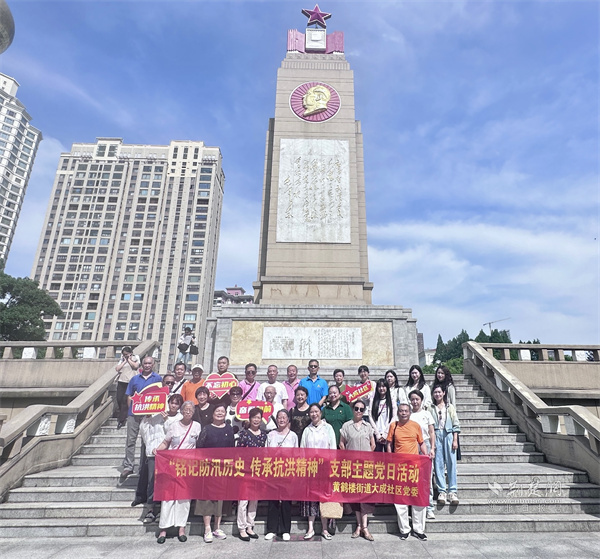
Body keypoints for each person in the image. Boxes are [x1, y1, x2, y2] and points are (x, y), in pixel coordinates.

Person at [155, 400, 201, 544]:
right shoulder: (173, 426)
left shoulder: (197, 426)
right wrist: (157, 450)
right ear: (181, 411)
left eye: (191, 410)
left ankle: (181, 528)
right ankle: (163, 529)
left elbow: (200, 445)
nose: (188, 411)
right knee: (168, 497)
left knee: (184, 498)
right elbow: (166, 442)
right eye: (186, 409)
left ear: (193, 412)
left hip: (188, 467)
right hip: (172, 466)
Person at [134, 392, 183, 524]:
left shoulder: (179, 418)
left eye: (176, 403)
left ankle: (163, 509)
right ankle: (150, 508)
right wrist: (147, 417)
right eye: (172, 402)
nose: (173, 405)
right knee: (152, 481)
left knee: (166, 482)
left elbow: (173, 434)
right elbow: (145, 431)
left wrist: (166, 420)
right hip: (153, 453)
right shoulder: (157, 414)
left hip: (168, 455)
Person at [386, 403, 429, 541]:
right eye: (401, 411)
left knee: (417, 497)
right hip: (399, 468)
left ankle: (419, 529)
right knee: (401, 499)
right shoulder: (393, 426)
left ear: (410, 413)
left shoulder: (416, 426)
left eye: (406, 411)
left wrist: (426, 456)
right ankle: (404, 529)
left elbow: (421, 443)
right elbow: (389, 444)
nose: (403, 413)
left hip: (415, 467)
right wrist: (390, 459)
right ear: (397, 412)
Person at [196, 404, 235, 543]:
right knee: (207, 499)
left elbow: (232, 449)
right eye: (217, 411)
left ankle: (217, 527)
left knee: (220, 498)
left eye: (222, 411)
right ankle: (207, 528)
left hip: (223, 469)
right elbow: (199, 448)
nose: (220, 413)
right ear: (212, 414)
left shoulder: (229, 429)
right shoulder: (207, 429)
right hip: (208, 469)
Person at [120, 356, 162, 483]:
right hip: (134, 414)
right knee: (130, 440)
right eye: (145, 363)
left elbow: (159, 396)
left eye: (149, 363)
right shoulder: (134, 379)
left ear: (153, 365)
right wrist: (132, 410)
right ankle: (128, 466)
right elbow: (129, 396)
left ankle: (143, 467)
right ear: (142, 364)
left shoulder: (157, 379)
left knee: (146, 442)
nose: (147, 365)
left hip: (149, 415)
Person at [339, 399, 376, 540]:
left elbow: (373, 444)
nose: (359, 411)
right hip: (352, 466)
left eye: (361, 409)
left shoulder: (368, 426)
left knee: (365, 495)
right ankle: (359, 525)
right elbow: (341, 444)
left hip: (366, 466)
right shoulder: (347, 426)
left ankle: (364, 527)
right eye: (356, 408)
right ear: (352, 409)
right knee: (355, 495)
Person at [300, 403, 337, 540]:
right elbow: (302, 449)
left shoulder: (328, 428)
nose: (314, 414)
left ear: (320, 413)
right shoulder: (307, 430)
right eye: (311, 412)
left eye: (316, 411)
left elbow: (333, 448)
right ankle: (310, 528)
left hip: (325, 467)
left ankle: (324, 528)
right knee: (310, 499)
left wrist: (332, 466)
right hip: (310, 468)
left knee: (324, 498)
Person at [265, 409, 298, 541]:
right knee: (272, 500)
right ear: (276, 419)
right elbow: (266, 452)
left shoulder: (293, 436)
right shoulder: (271, 435)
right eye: (279, 417)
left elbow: (296, 454)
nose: (282, 420)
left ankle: (285, 530)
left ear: (288, 419)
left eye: (284, 417)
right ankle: (271, 529)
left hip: (287, 471)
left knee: (286, 501)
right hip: (273, 471)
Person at [236, 408, 267, 541]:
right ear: (249, 419)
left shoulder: (264, 435)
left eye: (258, 417)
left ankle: (250, 525)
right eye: (254, 417)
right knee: (243, 500)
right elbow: (238, 453)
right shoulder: (243, 434)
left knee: (254, 500)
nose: (256, 420)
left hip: (258, 470)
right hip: (245, 471)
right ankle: (242, 528)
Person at [430, 385, 461, 506]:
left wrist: (455, 440)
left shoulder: (450, 407)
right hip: (436, 435)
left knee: (451, 463)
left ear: (443, 393)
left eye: (439, 392)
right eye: (435, 392)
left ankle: (452, 491)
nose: (437, 394)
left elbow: (455, 424)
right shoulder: (430, 408)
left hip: (448, 435)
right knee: (438, 464)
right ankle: (442, 491)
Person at [408, 389, 436, 519]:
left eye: (417, 399)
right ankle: (413, 507)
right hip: (412, 446)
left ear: (421, 400)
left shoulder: (427, 414)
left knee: (426, 477)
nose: (415, 402)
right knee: (412, 478)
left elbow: (431, 432)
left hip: (425, 444)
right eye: (412, 399)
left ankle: (429, 507)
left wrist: (432, 448)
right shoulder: (408, 414)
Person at [114, 346, 140, 429]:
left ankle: (121, 420)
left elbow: (135, 366)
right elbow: (117, 369)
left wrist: (129, 359)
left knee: (125, 400)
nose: (125, 355)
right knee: (119, 398)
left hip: (130, 382)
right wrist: (124, 361)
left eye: (126, 354)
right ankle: (122, 414)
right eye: (124, 354)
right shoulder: (122, 360)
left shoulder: (135, 358)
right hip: (122, 381)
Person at [369, 378, 398, 452]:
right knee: (377, 457)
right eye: (379, 386)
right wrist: (377, 434)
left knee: (389, 456)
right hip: (376, 433)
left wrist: (386, 433)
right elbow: (370, 416)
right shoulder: (373, 400)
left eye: (383, 386)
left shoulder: (391, 400)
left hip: (388, 433)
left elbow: (394, 417)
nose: (381, 388)